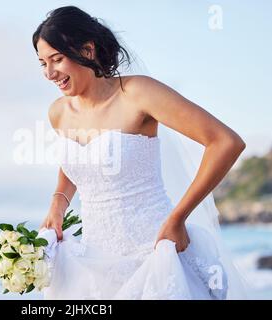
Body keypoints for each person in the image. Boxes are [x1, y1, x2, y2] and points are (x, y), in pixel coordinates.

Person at [33, 5, 248, 299]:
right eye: (42, 63)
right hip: (94, 267)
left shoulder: (137, 94)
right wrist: (57, 205)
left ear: (87, 49)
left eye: (56, 59)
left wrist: (177, 219)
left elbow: (225, 142)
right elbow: (78, 164)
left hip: (156, 255)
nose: (49, 73)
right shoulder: (58, 112)